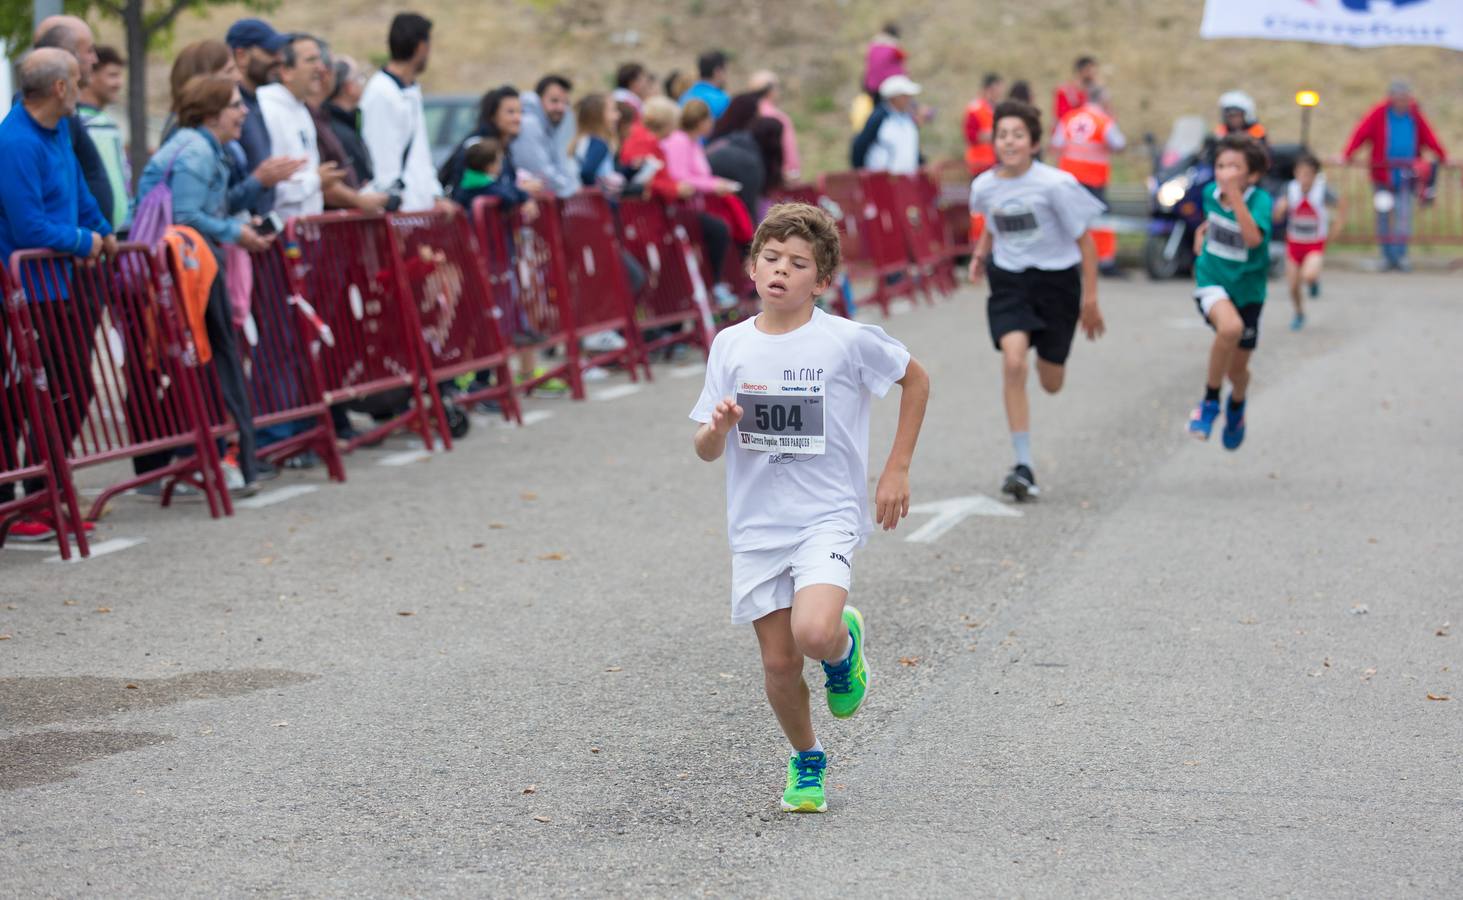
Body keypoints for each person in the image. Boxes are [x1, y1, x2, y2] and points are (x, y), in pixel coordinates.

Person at [690, 202, 929, 814]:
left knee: (814, 632)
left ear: (822, 281)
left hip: (827, 515)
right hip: (757, 525)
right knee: (777, 663)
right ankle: (807, 758)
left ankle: (843, 648)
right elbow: (705, 450)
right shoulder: (730, 345)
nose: (781, 271)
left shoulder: (845, 341)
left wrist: (895, 468)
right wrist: (717, 428)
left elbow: (916, 379)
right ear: (752, 267)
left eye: (798, 264)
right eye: (771, 258)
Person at [133, 75, 278, 492]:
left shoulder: (207, 148)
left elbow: (211, 207)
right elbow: (186, 217)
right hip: (187, 273)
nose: (243, 111)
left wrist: (237, 220)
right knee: (212, 364)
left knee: (218, 363)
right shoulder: (196, 151)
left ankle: (229, 461)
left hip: (197, 269)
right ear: (213, 113)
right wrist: (235, 232)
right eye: (235, 105)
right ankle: (217, 461)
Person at [0, 48, 115, 541]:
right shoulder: (15, 142)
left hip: (56, 287)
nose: (82, 84)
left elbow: (78, 195)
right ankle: (14, 504)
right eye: (76, 77)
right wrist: (83, 240)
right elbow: (28, 226)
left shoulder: (61, 130)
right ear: (61, 89)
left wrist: (103, 231)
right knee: (17, 401)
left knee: (72, 389)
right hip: (23, 291)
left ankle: (41, 493)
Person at [967, 101, 1106, 501]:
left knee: (1051, 381)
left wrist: (1091, 301)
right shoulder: (985, 187)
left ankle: (1054, 356)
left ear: (1032, 143)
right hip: (1010, 280)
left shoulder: (1055, 185)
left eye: (1017, 135)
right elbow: (993, 224)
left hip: (1058, 283)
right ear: (994, 141)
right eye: (1002, 135)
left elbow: (1086, 243)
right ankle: (1023, 463)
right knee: (1013, 361)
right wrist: (980, 254)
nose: (1009, 142)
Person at [1186, 134, 1272, 451]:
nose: (1225, 173)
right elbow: (1213, 220)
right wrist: (1203, 234)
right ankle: (1210, 401)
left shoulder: (1260, 201)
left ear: (1252, 175)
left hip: (1248, 291)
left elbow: (1251, 239)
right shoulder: (1211, 193)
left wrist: (1236, 198)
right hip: (1212, 279)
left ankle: (1236, 404)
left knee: (1238, 371)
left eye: (1234, 167)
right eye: (1221, 166)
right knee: (1230, 327)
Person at [1339, 79, 1448, 273]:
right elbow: (1361, 133)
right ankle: (1386, 256)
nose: (1403, 101)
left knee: (1403, 217)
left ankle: (1401, 256)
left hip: (1407, 178)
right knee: (1383, 216)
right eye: (1399, 98)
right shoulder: (1379, 113)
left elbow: (1429, 137)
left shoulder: (1415, 115)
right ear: (1391, 98)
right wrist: (1348, 154)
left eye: (1406, 98)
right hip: (1382, 178)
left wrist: (1442, 155)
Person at [361, 12, 450, 213]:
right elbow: (381, 157)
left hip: (418, 209)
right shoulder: (381, 92)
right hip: (399, 213)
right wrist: (393, 202)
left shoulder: (409, 90)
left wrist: (434, 194)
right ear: (421, 47)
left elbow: (420, 155)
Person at [32, 16, 113, 227]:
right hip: (64, 254)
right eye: (89, 50)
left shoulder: (64, 116)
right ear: (65, 56)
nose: (95, 59)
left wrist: (101, 232)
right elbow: (31, 219)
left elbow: (79, 183)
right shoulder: (32, 125)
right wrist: (81, 241)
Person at [660, 98, 742, 307]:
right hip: (678, 209)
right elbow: (679, 175)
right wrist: (714, 186)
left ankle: (713, 284)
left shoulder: (694, 143)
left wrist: (717, 183)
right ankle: (714, 284)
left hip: (693, 205)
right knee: (719, 230)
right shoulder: (679, 141)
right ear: (703, 121)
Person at [256, 34, 345, 221]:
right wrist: (316, 179)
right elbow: (274, 188)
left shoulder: (301, 108)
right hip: (282, 238)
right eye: (311, 60)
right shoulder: (268, 110)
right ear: (286, 71)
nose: (320, 68)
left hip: (309, 234)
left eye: (320, 60)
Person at [1052, 85, 1125, 274]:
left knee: (1071, 218)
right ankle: (1105, 260)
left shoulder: (1069, 117)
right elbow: (1118, 143)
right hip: (1093, 178)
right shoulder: (1103, 120)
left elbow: (1056, 143)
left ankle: (1071, 258)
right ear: (1102, 100)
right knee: (1101, 220)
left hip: (1069, 177)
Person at [225, 18, 289, 214]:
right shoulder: (227, 111)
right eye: (270, 52)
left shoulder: (256, 103)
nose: (278, 59)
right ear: (241, 55)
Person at [1273, 153, 1341, 331]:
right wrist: (1280, 209)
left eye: (1308, 174)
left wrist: (1335, 229)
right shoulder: (1289, 189)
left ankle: (1313, 282)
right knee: (1293, 286)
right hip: (1294, 242)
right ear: (1295, 173)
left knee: (1308, 275)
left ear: (1315, 175)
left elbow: (1341, 205)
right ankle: (1299, 313)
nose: (1304, 178)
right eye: (1300, 173)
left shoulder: (1322, 190)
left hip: (1314, 243)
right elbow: (1277, 216)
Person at [77, 44, 127, 231]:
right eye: (112, 75)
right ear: (91, 75)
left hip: (113, 234)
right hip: (94, 234)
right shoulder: (79, 124)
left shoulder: (108, 123)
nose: (119, 83)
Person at [514, 74, 580, 200]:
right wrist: (568, 186)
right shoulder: (529, 125)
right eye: (554, 101)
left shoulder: (548, 128)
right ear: (538, 100)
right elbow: (539, 172)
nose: (561, 108)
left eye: (565, 103)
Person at [850, 75, 921, 174]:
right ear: (894, 97)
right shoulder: (879, 117)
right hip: (882, 181)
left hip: (906, 181)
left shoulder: (907, 119)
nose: (909, 100)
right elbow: (860, 145)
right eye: (905, 96)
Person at [324, 56, 375, 188]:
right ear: (348, 87)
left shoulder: (348, 123)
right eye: (359, 77)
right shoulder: (335, 129)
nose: (362, 83)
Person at [748, 70, 801, 182]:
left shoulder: (745, 115)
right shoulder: (779, 118)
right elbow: (789, 151)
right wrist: (793, 173)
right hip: (777, 179)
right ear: (771, 91)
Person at [571, 93, 623, 191]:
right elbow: (587, 172)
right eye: (613, 110)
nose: (618, 115)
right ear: (597, 116)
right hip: (595, 204)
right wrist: (601, 189)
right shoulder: (599, 144)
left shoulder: (582, 140)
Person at [963, 72, 1003, 178]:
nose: (999, 92)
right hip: (979, 163)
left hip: (994, 162)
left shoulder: (996, 109)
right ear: (988, 89)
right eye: (996, 89)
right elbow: (970, 136)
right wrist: (994, 135)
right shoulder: (975, 109)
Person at [450, 137, 503, 207]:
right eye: (499, 161)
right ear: (489, 166)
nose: (501, 165)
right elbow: (509, 197)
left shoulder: (464, 185)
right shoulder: (490, 188)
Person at [680, 51, 730, 120]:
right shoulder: (722, 99)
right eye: (725, 70)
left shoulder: (684, 97)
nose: (726, 75)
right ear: (717, 71)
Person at [862, 22, 906, 101]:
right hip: (891, 86)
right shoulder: (893, 47)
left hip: (872, 85)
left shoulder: (873, 46)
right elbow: (903, 57)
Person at [1054, 55, 1097, 125]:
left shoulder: (1094, 92)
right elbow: (1062, 117)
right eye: (1089, 70)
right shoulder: (1065, 92)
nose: (1093, 74)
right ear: (1081, 71)